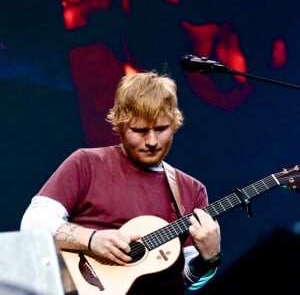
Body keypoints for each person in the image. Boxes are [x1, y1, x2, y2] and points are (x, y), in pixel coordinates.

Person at [20, 71, 221, 294]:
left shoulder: (191, 191)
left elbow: (186, 283)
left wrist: (209, 260)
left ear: (174, 124)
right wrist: (91, 239)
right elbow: (32, 224)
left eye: (161, 129)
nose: (152, 141)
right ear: (120, 125)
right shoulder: (86, 163)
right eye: (139, 130)